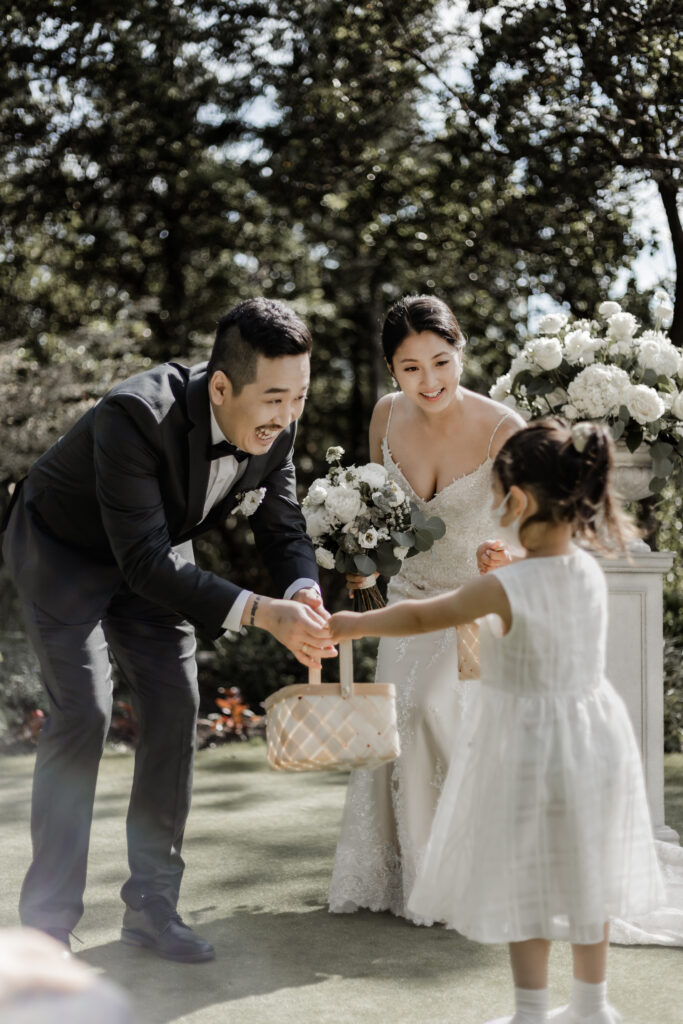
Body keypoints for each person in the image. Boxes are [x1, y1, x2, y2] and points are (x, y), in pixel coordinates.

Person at [1, 297, 334, 962]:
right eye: (273, 397)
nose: (286, 413)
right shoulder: (135, 414)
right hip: (64, 552)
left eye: (297, 397)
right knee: (84, 712)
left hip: (153, 557)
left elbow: (283, 527)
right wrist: (263, 612)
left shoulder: (278, 429)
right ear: (220, 386)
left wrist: (300, 589)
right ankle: (44, 928)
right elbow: (144, 561)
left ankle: (152, 908)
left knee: (176, 706)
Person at [327, 419, 665, 1024]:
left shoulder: (505, 586)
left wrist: (355, 624)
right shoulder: (586, 570)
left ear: (519, 499)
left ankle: (531, 1012)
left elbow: (420, 618)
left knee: (523, 874)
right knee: (586, 869)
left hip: (530, 746)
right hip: (592, 741)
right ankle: (592, 1006)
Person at [328, 294, 523, 922]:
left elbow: (533, 530)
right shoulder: (385, 418)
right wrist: (356, 560)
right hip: (406, 599)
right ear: (392, 371)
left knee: (426, 708)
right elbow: (371, 512)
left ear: (460, 350)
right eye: (411, 368)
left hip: (474, 603)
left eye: (441, 361)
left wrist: (507, 556)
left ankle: (459, 874)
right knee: (395, 724)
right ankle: (402, 876)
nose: (430, 381)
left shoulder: (503, 429)